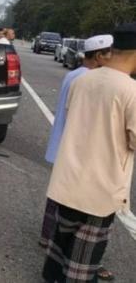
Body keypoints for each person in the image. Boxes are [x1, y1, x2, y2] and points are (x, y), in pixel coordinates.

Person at [42, 23, 136, 283]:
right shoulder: (130, 90)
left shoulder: (82, 79)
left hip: (68, 178)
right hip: (99, 188)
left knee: (62, 242)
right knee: (83, 258)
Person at [39, 34, 114, 279]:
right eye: (110, 53)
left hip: (62, 145)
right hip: (74, 149)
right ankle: (71, 257)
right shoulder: (89, 79)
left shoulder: (74, 74)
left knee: (58, 200)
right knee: (73, 209)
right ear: (100, 55)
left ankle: (47, 240)